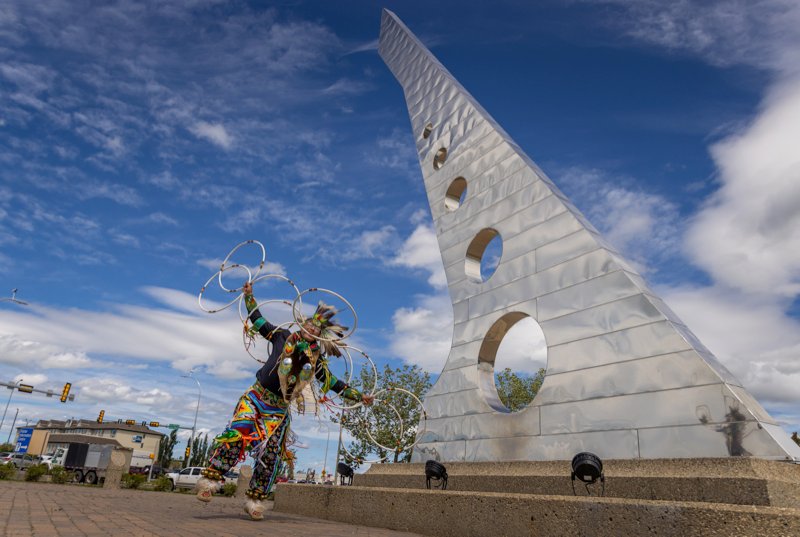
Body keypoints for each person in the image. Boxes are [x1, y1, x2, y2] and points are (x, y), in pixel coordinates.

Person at [195, 281, 373, 520]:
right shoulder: (281, 336)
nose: (312, 328)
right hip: (256, 397)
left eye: (317, 329)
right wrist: (249, 296)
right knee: (238, 434)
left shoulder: (316, 360)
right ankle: (209, 482)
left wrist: (360, 396)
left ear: (320, 336)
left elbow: (333, 384)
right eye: (309, 323)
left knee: (270, 454)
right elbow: (257, 321)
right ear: (301, 323)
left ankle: (255, 500)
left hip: (278, 411)